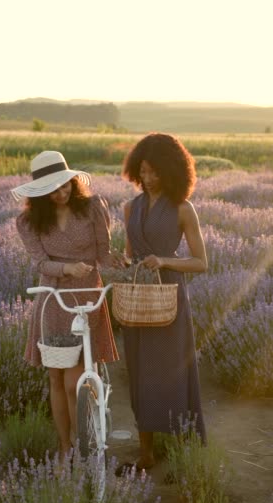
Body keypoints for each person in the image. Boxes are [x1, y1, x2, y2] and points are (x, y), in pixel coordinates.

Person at [11, 150, 118, 460]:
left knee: (74, 381)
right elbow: (41, 262)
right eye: (52, 189)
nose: (61, 193)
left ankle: (86, 447)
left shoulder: (93, 208)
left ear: (72, 181)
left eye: (65, 185)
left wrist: (123, 266)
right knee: (56, 377)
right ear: (40, 193)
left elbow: (104, 254)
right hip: (54, 297)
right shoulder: (29, 221)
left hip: (87, 294)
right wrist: (66, 269)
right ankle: (64, 447)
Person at [118, 132, 207, 473]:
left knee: (174, 373)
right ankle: (146, 453)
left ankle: (185, 449)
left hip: (170, 297)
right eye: (143, 171)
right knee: (140, 373)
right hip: (139, 299)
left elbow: (201, 262)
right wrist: (122, 264)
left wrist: (165, 261)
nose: (149, 179)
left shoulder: (184, 209)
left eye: (155, 172)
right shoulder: (130, 208)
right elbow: (130, 256)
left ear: (171, 172)